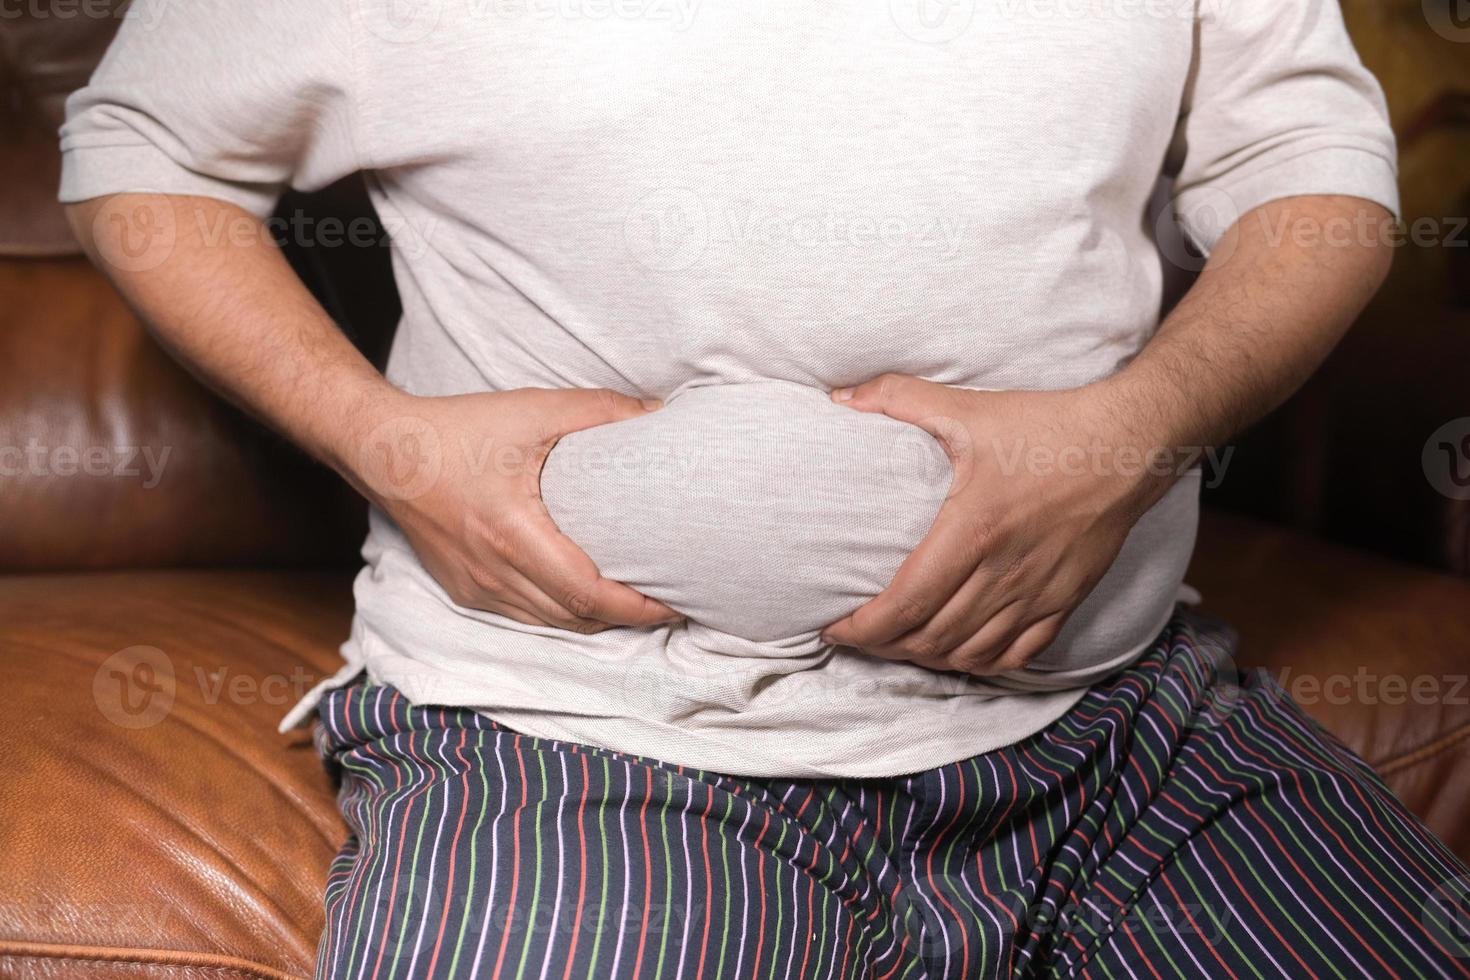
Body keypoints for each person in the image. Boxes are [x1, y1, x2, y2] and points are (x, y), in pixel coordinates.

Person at [60, 0, 1470, 975]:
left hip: (1125, 718)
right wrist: (383, 438)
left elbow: (1302, 164)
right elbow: (143, 145)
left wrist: (1148, 421)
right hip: (580, 740)